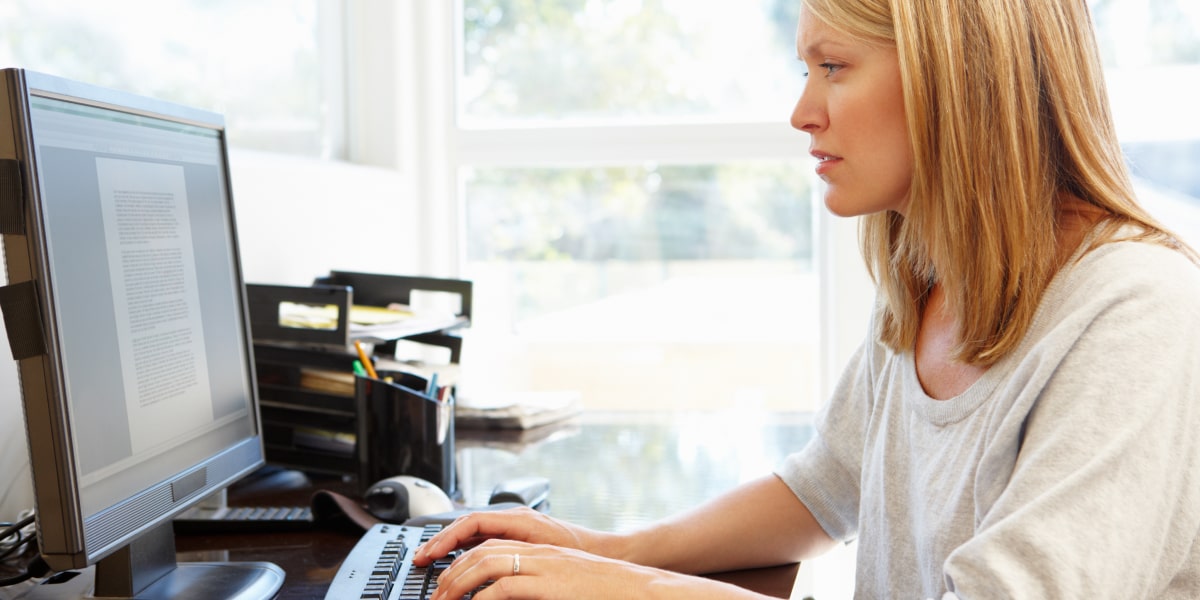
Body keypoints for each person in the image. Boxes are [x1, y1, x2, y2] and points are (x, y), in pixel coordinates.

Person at [414, 0, 1200, 597]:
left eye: (834, 67)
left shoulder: (1138, 313)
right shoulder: (930, 279)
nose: (802, 113)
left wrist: (638, 590)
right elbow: (826, 486)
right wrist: (603, 549)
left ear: (956, 79)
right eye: (806, 70)